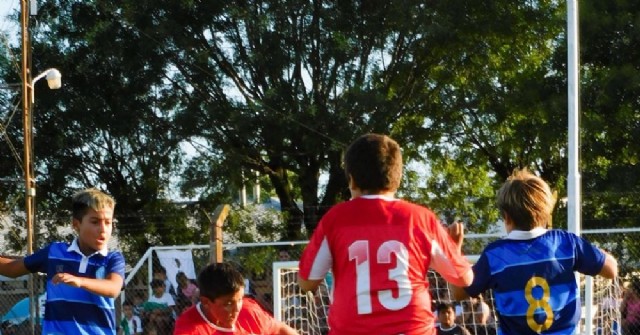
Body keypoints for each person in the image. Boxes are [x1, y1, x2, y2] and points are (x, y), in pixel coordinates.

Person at [297, 133, 473, 335]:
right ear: (397, 179)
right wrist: (454, 248)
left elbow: (307, 282)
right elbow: (464, 279)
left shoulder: (335, 219)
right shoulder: (421, 218)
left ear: (351, 181)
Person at [452, 168, 618, 335]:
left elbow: (459, 293)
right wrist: (596, 252)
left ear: (506, 217)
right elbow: (611, 270)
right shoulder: (566, 243)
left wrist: (455, 250)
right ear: (546, 212)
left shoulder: (495, 255)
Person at [0, 188, 125, 335]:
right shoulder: (54, 253)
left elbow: (113, 288)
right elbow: (11, 269)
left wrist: (80, 281)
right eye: (95, 222)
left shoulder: (113, 259)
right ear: (76, 224)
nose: (103, 229)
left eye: (108, 222)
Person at [173, 262, 298, 335]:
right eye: (228, 303)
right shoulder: (189, 330)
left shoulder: (249, 310)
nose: (237, 308)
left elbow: (281, 329)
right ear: (206, 302)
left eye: (240, 299)